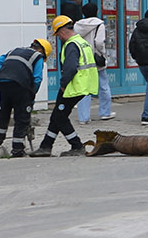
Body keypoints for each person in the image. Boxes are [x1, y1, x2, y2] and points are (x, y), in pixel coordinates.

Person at [29, 16, 97, 158]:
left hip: (73, 87)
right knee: (58, 116)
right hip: (82, 86)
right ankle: (46, 146)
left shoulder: (71, 45)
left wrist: (63, 84)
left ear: (62, 31)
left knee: (59, 116)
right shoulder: (82, 42)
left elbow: (71, 68)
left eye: (58, 34)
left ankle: (76, 146)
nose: (58, 37)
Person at [0, 37, 50, 158]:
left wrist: (10, 73)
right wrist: (32, 95)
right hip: (20, 86)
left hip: (3, 83)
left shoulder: (14, 51)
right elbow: (37, 78)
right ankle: (17, 150)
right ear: (42, 51)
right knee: (22, 116)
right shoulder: (37, 57)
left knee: (4, 112)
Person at [73, 2, 113, 122]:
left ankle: (84, 117)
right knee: (103, 86)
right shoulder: (99, 24)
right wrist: (101, 53)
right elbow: (100, 42)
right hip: (96, 59)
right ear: (96, 11)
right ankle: (105, 112)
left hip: (83, 60)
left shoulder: (77, 25)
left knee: (84, 88)